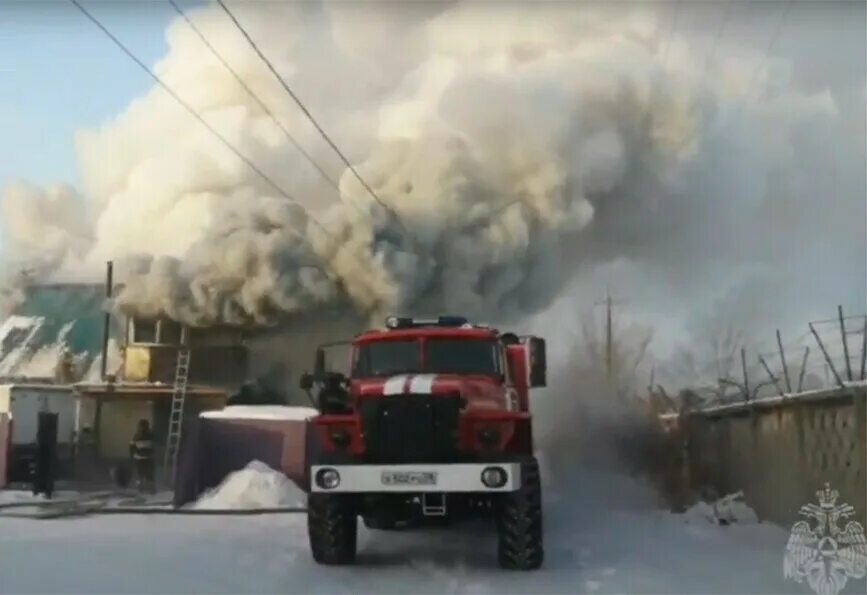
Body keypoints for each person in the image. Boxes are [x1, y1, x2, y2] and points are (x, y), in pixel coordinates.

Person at [129, 419, 155, 493]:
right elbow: (154, 446)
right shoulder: (151, 435)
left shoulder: (136, 435)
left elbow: (131, 447)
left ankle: (141, 488)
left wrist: (132, 457)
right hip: (149, 458)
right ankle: (151, 489)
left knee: (139, 474)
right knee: (149, 474)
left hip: (139, 458)